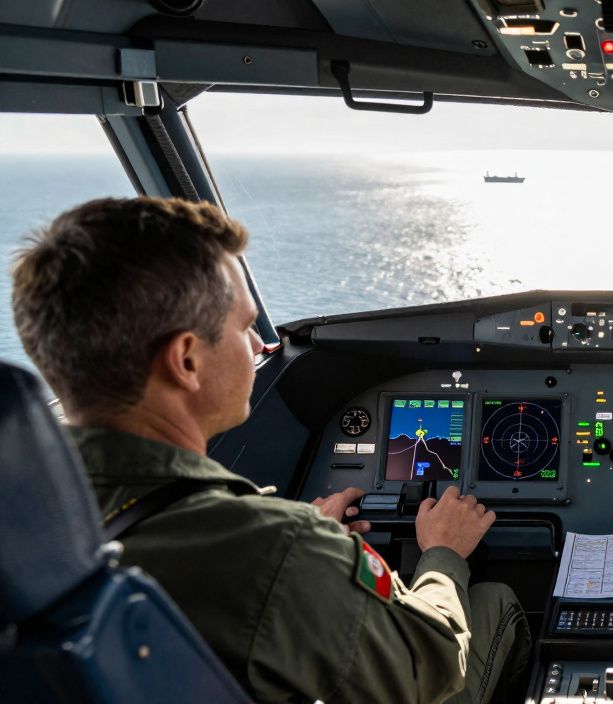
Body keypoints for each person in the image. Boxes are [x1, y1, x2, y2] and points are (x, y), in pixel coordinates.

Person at [10, 197, 530, 704]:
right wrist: (443, 553)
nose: (263, 346)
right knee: (494, 602)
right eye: (243, 328)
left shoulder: (22, 518)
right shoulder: (275, 548)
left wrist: (304, 547)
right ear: (185, 360)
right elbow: (431, 667)